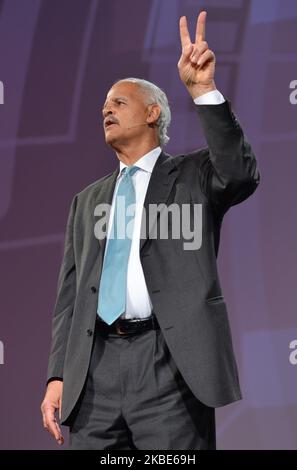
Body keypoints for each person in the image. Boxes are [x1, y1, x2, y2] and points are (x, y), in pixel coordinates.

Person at [41, 11, 260, 450]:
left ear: (153, 113)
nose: (106, 109)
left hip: (168, 367)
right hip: (94, 373)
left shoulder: (194, 175)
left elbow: (239, 174)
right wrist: (58, 374)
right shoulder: (85, 201)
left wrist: (203, 90)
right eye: (104, 105)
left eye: (119, 103)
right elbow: (69, 299)